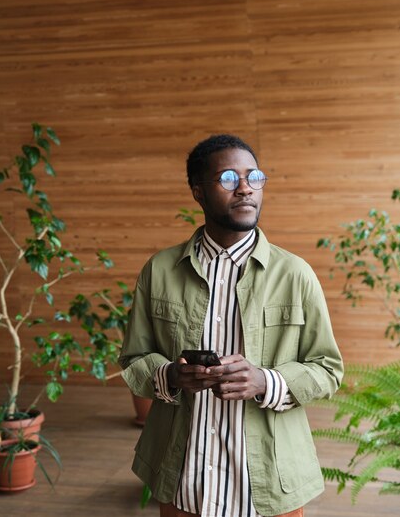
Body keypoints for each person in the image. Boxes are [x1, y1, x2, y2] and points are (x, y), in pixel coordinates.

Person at [119, 134, 343, 517]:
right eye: (227, 179)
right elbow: (134, 358)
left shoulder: (295, 275)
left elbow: (327, 369)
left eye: (254, 177)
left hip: (270, 483)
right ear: (198, 192)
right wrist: (170, 374)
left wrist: (265, 381)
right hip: (184, 480)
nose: (244, 189)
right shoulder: (159, 271)